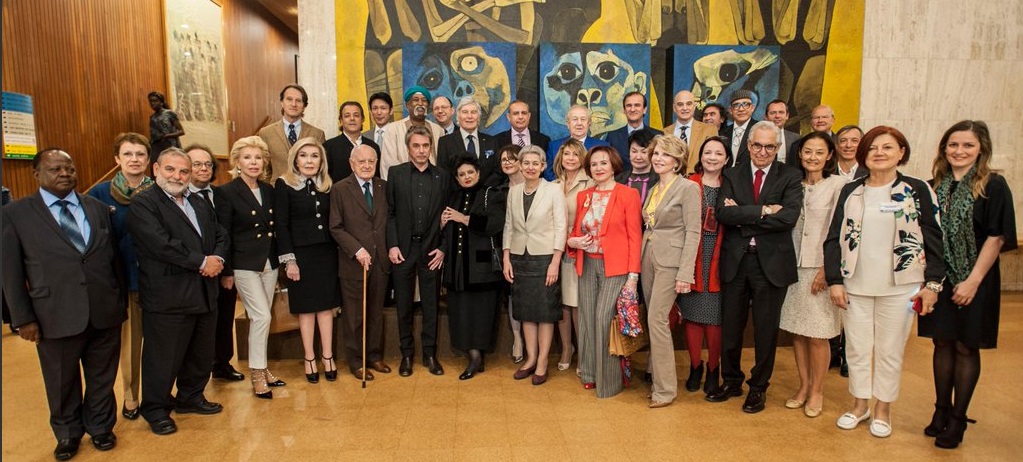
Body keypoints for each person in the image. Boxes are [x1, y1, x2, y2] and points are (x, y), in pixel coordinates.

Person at [3, 149, 126, 459]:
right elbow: (10, 271)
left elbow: (113, 259)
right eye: (55, 169)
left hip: (103, 309)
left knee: (102, 376)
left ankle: (100, 428)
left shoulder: (97, 208)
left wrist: (119, 301)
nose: (65, 174)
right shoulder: (15, 214)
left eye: (69, 168)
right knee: (61, 380)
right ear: (37, 175)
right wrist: (22, 318)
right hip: (53, 314)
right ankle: (68, 433)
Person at [824, 125, 944, 438]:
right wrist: (835, 281)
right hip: (855, 286)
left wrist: (932, 284)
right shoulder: (852, 190)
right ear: (864, 154)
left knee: (890, 350)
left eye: (887, 147)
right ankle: (860, 405)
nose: (879, 153)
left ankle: (882, 409)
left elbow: (934, 237)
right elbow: (833, 238)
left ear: (901, 153)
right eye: (873, 148)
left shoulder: (917, 189)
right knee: (858, 349)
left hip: (901, 286)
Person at [919, 120, 1016, 449]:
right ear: (944, 149)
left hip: (977, 280)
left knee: (965, 346)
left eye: (967, 146)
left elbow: (997, 236)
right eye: (953, 145)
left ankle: (959, 419)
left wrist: (972, 281)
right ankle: (941, 410)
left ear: (981, 150)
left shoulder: (993, 185)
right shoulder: (934, 186)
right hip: (939, 280)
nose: (959, 151)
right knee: (941, 343)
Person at [129, 147, 227, 435]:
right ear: (156, 170)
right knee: (164, 356)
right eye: (171, 169)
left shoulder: (197, 201)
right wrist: (201, 261)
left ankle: (190, 396)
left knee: (200, 350)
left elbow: (220, 233)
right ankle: (156, 408)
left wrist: (218, 259)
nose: (178, 176)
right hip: (168, 296)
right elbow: (160, 244)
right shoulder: (144, 204)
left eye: (184, 171)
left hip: (204, 291)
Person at [707, 121, 803, 414]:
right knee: (732, 328)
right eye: (757, 145)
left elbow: (788, 219)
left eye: (770, 146)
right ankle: (732, 381)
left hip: (771, 265)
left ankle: (758, 388)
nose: (763, 151)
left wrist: (743, 216)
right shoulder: (733, 174)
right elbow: (724, 213)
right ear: (748, 146)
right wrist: (763, 210)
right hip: (736, 262)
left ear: (777, 148)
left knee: (765, 331)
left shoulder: (790, 175)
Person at [86, 133, 154, 422]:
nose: (135, 159)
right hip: (124, 281)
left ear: (148, 159)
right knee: (130, 344)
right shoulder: (99, 196)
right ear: (117, 159)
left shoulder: (160, 191)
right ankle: (131, 396)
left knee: (159, 343)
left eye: (140, 154)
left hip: (159, 280)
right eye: (128, 154)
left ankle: (157, 393)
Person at [778, 132, 845, 418]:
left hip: (820, 267)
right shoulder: (793, 184)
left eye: (819, 152)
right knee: (798, 332)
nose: (813, 157)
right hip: (791, 266)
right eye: (808, 151)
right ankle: (803, 387)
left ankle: (817, 391)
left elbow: (841, 231)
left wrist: (828, 270)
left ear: (829, 155)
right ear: (799, 153)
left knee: (818, 335)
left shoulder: (839, 185)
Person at [566, 146, 642, 398]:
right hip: (587, 263)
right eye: (594, 164)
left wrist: (633, 277)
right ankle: (588, 372)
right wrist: (572, 241)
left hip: (616, 267)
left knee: (602, 319)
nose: (598, 168)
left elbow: (634, 237)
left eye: (604, 163)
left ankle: (609, 381)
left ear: (614, 166)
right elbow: (577, 231)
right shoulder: (584, 196)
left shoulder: (628, 194)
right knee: (587, 319)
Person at [215, 136, 284, 398]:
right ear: (237, 162)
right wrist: (227, 271)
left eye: (258, 158)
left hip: (268, 261)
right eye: (247, 158)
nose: (253, 162)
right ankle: (256, 373)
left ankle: (263, 367)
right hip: (244, 264)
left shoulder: (268, 190)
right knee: (260, 317)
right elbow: (224, 234)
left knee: (262, 318)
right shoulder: (226, 192)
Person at [641, 135, 702, 408]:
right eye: (656, 154)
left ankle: (665, 390)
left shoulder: (688, 188)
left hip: (671, 262)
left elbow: (693, 231)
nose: (658, 159)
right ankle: (656, 377)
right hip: (648, 257)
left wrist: (685, 273)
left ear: (677, 162)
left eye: (665, 155)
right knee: (653, 318)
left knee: (657, 319)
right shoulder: (655, 187)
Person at [274, 138, 342, 383]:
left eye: (315, 156)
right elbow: (281, 225)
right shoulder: (284, 185)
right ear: (295, 159)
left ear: (321, 160)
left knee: (326, 307)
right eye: (304, 155)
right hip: (300, 256)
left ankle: (328, 356)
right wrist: (289, 261)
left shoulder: (327, 185)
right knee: (306, 310)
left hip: (326, 253)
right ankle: (310, 358)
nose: (310, 160)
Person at [387, 125, 448, 377]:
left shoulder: (442, 176)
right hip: (403, 249)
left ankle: (430, 354)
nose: (421, 150)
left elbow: (447, 214)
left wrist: (443, 248)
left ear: (431, 146)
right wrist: (391, 244)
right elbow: (389, 214)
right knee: (404, 305)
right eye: (416, 146)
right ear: (408, 147)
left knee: (431, 305)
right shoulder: (396, 173)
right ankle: (407, 355)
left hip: (432, 250)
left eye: (425, 146)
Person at [503, 145, 566, 386]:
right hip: (520, 257)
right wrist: (507, 257)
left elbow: (561, 227)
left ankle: (542, 362)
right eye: (525, 162)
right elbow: (509, 226)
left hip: (544, 258)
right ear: (520, 165)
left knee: (545, 313)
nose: (530, 167)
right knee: (526, 312)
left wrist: (555, 262)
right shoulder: (514, 192)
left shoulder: (553, 190)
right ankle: (529, 360)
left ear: (543, 166)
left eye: (535, 163)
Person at [330, 144, 393, 381]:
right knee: (355, 315)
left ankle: (374, 356)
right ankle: (357, 361)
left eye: (371, 161)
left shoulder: (383, 187)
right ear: (351, 163)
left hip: (381, 261)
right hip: (354, 262)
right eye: (361, 162)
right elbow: (335, 226)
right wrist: (357, 249)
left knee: (376, 312)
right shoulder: (340, 189)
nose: (366, 166)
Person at [441, 157, 507, 380]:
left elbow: (495, 224)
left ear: (478, 173)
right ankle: (471, 354)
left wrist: (464, 218)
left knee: (482, 313)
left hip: (482, 267)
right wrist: (443, 223)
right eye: (462, 174)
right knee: (461, 312)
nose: (466, 177)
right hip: (458, 267)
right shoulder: (453, 196)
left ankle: (478, 357)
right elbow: (446, 230)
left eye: (470, 172)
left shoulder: (491, 193)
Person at [186, 145, 246, 382]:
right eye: (196, 164)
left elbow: (227, 234)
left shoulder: (222, 195)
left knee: (224, 319)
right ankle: (194, 373)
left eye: (207, 164)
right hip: (191, 272)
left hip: (222, 269)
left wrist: (226, 269)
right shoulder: (180, 197)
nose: (203, 168)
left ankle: (222, 364)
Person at [679, 136, 733, 397]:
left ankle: (714, 369)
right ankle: (695, 366)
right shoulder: (689, 183)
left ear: (727, 158)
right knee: (691, 315)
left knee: (714, 318)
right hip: (692, 255)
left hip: (720, 257)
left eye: (718, 153)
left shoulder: (732, 186)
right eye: (707, 152)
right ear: (700, 156)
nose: (712, 157)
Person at [553, 138, 591, 372]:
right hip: (556, 248)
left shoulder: (590, 183)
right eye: (566, 154)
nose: (570, 158)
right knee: (561, 303)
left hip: (580, 249)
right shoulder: (553, 184)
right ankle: (567, 348)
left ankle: (584, 349)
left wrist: (575, 240)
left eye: (575, 154)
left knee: (576, 303)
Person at [257, 84, 326, 181]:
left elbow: (322, 168)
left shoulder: (317, 134)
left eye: (298, 100)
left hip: (307, 191)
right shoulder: (266, 133)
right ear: (282, 102)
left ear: (304, 106)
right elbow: (264, 168)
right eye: (289, 99)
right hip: (276, 192)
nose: (294, 104)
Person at [497, 144, 526, 363]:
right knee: (512, 295)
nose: (507, 162)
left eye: (512, 159)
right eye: (504, 159)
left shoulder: (533, 186)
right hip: (506, 248)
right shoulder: (497, 188)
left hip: (533, 250)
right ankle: (518, 339)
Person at [379, 86, 444, 179]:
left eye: (424, 100)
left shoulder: (438, 130)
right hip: (403, 184)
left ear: (428, 105)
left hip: (432, 184)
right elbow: (388, 163)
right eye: (416, 100)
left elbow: (441, 164)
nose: (420, 103)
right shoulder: (393, 129)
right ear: (407, 105)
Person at [437, 97, 500, 186]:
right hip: (457, 197)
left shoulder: (492, 142)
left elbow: (497, 172)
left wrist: (481, 191)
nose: (469, 116)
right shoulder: (445, 143)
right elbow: (443, 174)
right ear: (458, 117)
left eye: (473, 112)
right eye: (465, 112)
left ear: (478, 117)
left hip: (485, 196)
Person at [544, 106, 609, 180]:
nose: (579, 123)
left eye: (583, 119)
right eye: (575, 119)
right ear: (568, 124)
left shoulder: (603, 146)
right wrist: (566, 185)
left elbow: (607, 173)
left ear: (589, 123)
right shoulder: (554, 146)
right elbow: (548, 173)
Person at [323, 101, 381, 181]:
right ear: (341, 120)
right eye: (347, 116)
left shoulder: (373, 146)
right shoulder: (329, 147)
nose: (352, 119)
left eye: (356, 115)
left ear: (362, 120)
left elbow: (377, 177)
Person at [663, 90, 718, 173]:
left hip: (699, 181)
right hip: (671, 182)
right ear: (674, 108)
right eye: (680, 104)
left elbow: (713, 160)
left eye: (689, 104)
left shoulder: (709, 130)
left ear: (694, 106)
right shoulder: (665, 133)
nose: (685, 108)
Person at [605, 91, 662, 172]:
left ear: (644, 109)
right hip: (620, 182)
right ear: (624, 110)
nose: (632, 109)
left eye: (637, 105)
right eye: (629, 105)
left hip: (651, 182)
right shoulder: (612, 137)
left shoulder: (657, 136)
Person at [615, 130, 659, 205]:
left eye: (644, 152)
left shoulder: (659, 180)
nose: (638, 157)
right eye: (634, 151)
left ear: (652, 153)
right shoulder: (618, 180)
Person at [719, 90, 759, 167]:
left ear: (752, 108)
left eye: (745, 104)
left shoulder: (760, 129)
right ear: (730, 110)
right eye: (736, 105)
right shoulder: (723, 132)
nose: (741, 109)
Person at [764, 99, 801, 165]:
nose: (777, 116)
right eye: (773, 113)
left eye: (781, 112)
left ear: (787, 116)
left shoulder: (796, 138)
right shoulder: (758, 137)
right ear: (766, 117)